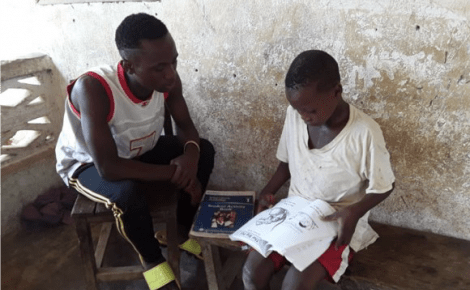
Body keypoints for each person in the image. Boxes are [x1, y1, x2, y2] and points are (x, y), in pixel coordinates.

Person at [55, 13, 215, 290]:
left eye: (174, 61)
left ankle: (178, 231)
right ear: (129, 66)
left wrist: (189, 158)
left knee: (205, 150)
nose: (171, 73)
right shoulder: (94, 88)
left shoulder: (169, 82)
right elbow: (109, 167)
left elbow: (188, 129)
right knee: (127, 194)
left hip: (139, 151)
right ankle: (152, 261)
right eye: (159, 67)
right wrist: (175, 174)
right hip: (87, 165)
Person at [242, 50, 395, 290]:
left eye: (311, 111)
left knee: (295, 285)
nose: (304, 117)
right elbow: (286, 163)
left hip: (337, 221)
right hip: (295, 213)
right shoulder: (295, 114)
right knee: (252, 272)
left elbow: (385, 186)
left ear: (336, 91)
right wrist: (267, 192)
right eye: (298, 110)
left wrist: (354, 212)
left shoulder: (365, 132)